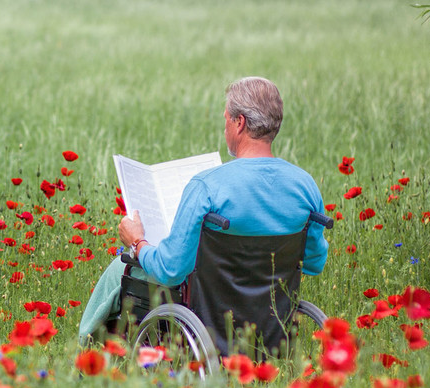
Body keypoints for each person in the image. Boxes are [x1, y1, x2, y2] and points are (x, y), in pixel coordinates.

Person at [78, 77, 328, 344]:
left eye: (226, 120)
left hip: (210, 317)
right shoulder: (305, 187)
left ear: (239, 122)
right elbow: (313, 263)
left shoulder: (206, 186)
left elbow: (171, 269)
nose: (225, 128)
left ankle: (86, 346)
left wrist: (137, 242)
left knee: (121, 267)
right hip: (271, 319)